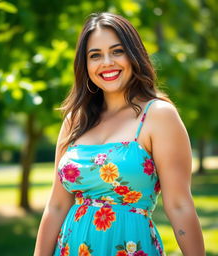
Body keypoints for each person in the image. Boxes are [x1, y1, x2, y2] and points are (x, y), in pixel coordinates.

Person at [34, 12, 205, 256]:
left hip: (131, 247)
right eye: (95, 55)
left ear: (134, 55)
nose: (107, 62)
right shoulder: (75, 120)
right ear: (85, 65)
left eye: (117, 51)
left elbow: (179, 206)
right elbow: (56, 206)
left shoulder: (158, 115)